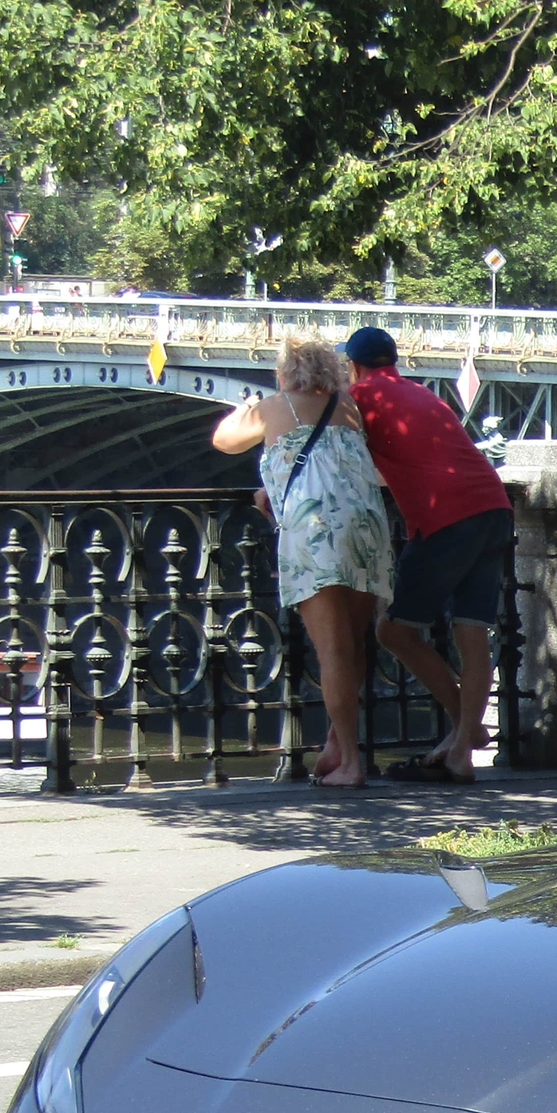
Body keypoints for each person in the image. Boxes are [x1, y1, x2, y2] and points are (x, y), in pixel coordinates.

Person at [211, 337, 395, 788]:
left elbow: (224, 441)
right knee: (352, 645)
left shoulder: (276, 407)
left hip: (316, 531)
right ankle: (338, 745)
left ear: (286, 372)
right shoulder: (347, 407)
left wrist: (249, 405)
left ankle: (351, 763)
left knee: (332, 651)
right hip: (367, 526)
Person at [341, 326, 515, 783]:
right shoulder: (422, 394)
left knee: (393, 630)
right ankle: (461, 749)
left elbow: (339, 461)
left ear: (354, 366)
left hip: (446, 519)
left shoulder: (359, 398)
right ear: (393, 361)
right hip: (494, 508)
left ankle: (467, 730)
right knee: (472, 634)